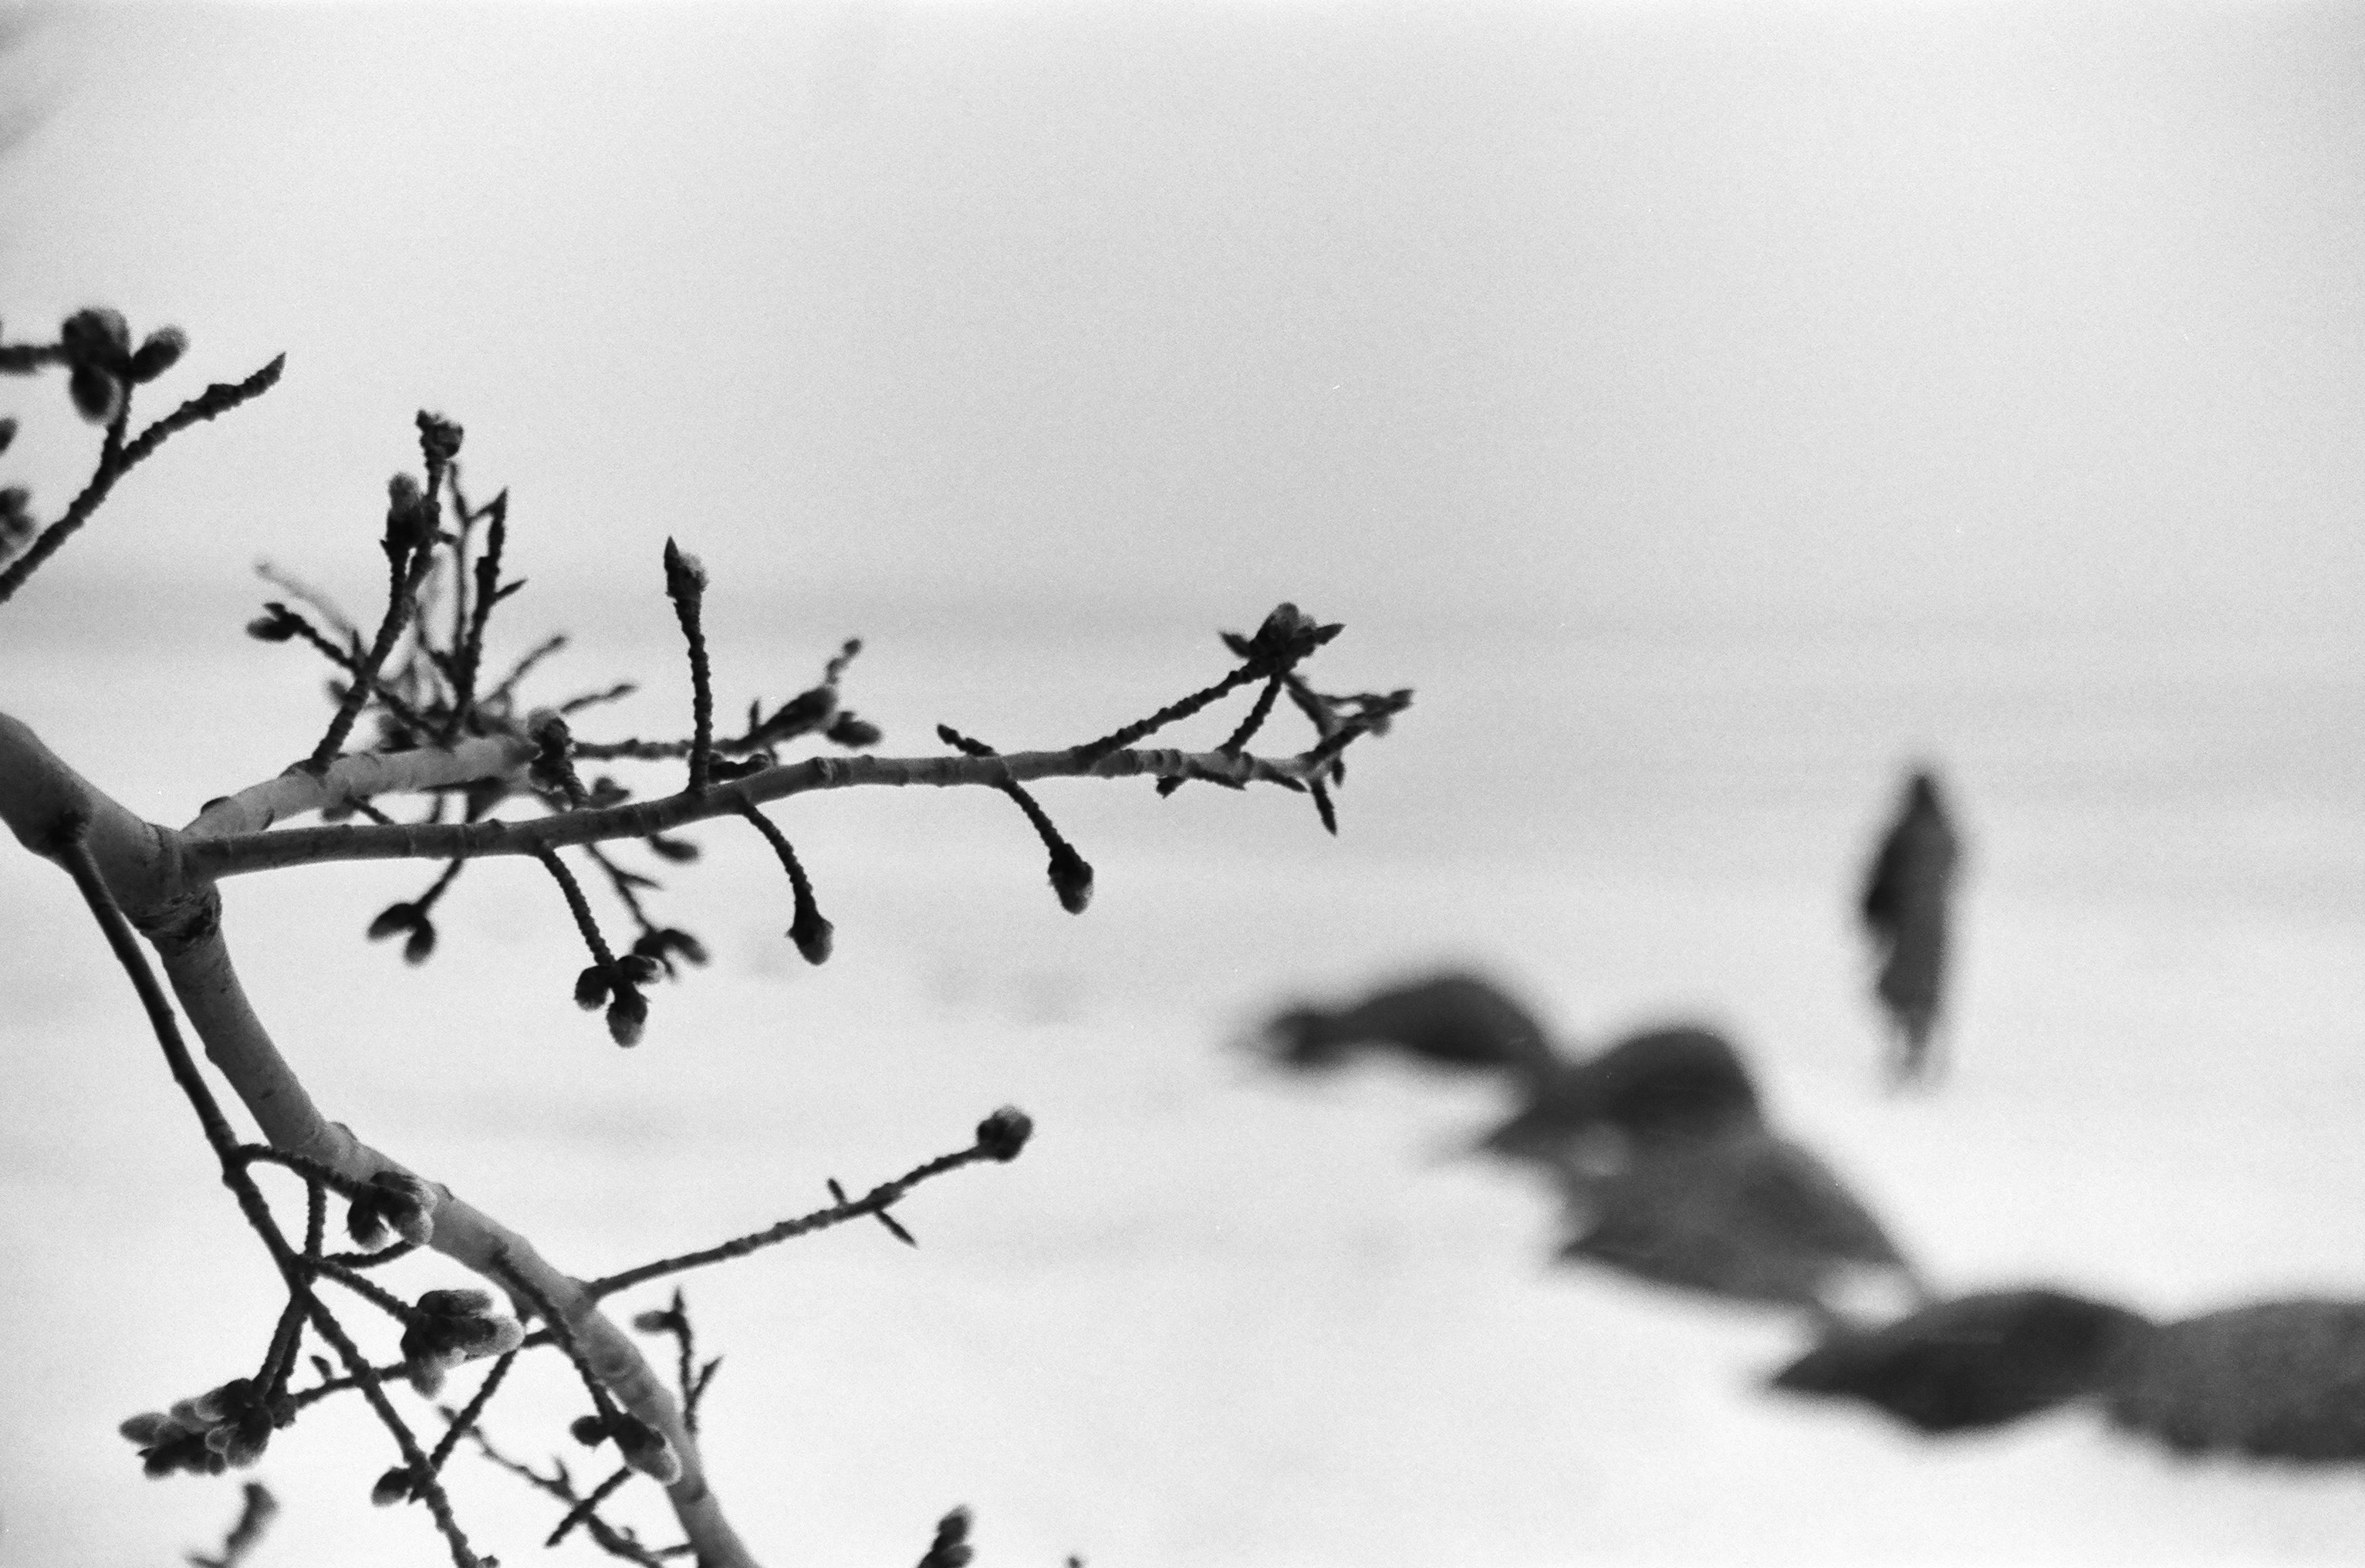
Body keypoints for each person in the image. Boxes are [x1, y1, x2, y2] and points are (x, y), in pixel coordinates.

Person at [1859, 766, 1963, 1085]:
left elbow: (1880, 873)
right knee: (1925, 991)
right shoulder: (1946, 831)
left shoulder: (1904, 830)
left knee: (1900, 989)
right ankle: (1918, 1055)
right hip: (1934, 921)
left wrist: (1874, 911)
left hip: (1905, 919)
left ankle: (1904, 1056)